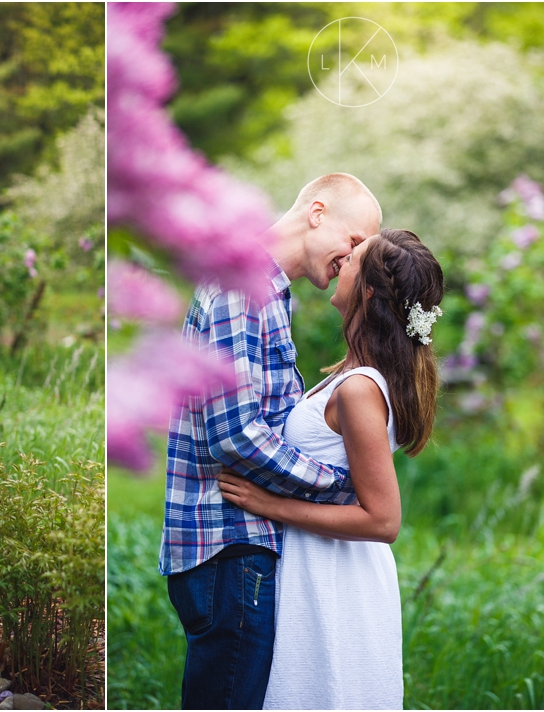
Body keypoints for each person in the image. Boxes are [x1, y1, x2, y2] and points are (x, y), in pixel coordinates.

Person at [161, 173, 382, 709]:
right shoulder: (243, 288)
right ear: (317, 212)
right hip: (230, 544)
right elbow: (235, 435)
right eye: (353, 243)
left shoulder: (267, 295)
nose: (350, 262)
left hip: (237, 546)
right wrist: (339, 487)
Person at [218, 228, 444, 709]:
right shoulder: (350, 376)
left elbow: (383, 520)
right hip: (322, 566)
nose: (341, 261)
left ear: (366, 291)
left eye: (354, 258)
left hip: (339, 577)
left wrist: (271, 505)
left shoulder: (359, 389)